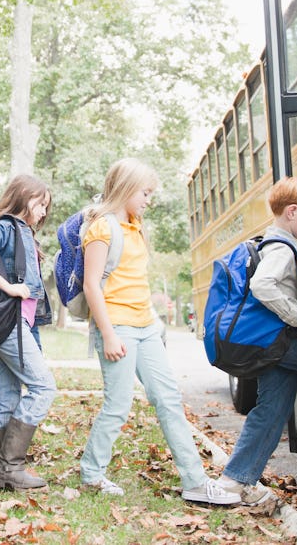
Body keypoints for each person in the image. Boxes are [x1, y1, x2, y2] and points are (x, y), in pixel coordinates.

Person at [79, 158, 239, 505]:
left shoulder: (136, 227)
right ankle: (91, 474)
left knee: (168, 400)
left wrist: (155, 320)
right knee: (118, 405)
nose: (148, 199)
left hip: (146, 327)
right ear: (125, 189)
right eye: (145, 192)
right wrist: (107, 334)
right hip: (117, 326)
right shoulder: (102, 228)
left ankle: (195, 481)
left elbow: (137, 280)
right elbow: (92, 285)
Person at [214, 177, 297, 506]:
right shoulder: (281, 247)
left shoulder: (268, 242)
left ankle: (233, 481)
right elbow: (263, 286)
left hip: (270, 346)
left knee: (270, 412)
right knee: (270, 411)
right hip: (283, 341)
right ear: (292, 211)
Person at [0, 174, 57, 490]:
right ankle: (9, 467)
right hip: (9, 324)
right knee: (44, 388)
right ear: (22, 197)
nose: (43, 212)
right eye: (39, 204)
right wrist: (9, 287)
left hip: (22, 326)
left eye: (46, 206)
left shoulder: (25, 234)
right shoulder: (5, 227)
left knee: (7, 395)